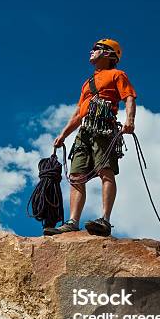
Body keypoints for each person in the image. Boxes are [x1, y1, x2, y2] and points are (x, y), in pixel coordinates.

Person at [45, 38, 137, 237]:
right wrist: (63, 134)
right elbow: (79, 113)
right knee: (76, 175)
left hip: (104, 126)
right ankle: (72, 222)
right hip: (85, 129)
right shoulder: (87, 84)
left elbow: (129, 96)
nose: (91, 51)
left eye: (96, 49)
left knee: (106, 170)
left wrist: (129, 119)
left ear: (108, 54)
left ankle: (104, 219)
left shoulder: (117, 75)